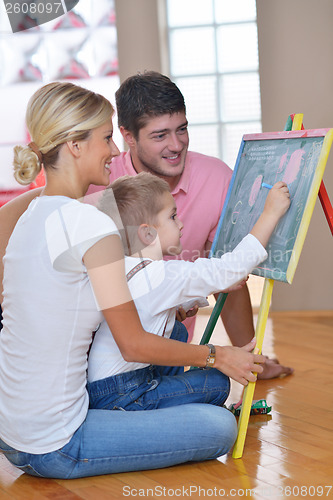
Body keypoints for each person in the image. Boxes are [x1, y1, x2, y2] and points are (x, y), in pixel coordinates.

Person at [0, 81, 268, 480]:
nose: (113, 150)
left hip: (12, 433)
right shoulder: (90, 223)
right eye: (106, 138)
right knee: (220, 428)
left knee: (196, 367)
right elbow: (132, 343)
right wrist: (217, 355)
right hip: (56, 443)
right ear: (74, 145)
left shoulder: (30, 218)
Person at [86, 71, 293, 379]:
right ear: (128, 136)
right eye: (160, 135)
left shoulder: (218, 178)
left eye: (181, 129)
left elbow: (230, 278)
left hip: (172, 349)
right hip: (108, 361)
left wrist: (252, 359)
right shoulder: (99, 187)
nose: (176, 145)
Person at [87, 172, 290, 412]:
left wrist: (188, 302)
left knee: (178, 330)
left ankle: (165, 396)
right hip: (123, 394)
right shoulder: (162, 274)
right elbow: (232, 268)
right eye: (172, 216)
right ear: (147, 233)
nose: (181, 223)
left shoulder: (126, 267)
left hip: (102, 389)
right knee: (215, 383)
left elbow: (148, 305)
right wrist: (270, 213)